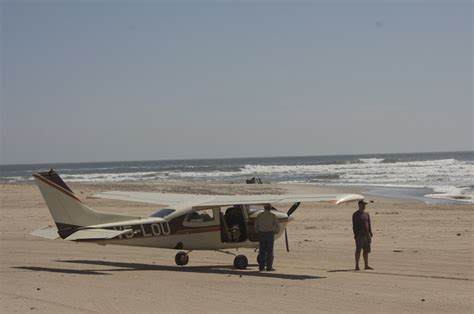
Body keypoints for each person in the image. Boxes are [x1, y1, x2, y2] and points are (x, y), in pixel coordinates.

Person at [255, 203, 280, 271]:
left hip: (261, 234)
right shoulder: (272, 216)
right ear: (270, 208)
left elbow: (255, 226)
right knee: (269, 251)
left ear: (264, 208)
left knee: (262, 251)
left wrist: (257, 232)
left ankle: (261, 267)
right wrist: (275, 231)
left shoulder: (259, 215)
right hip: (269, 234)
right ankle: (269, 267)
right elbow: (278, 226)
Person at [352, 200, 373, 270]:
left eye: (365, 205)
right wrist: (355, 235)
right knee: (358, 250)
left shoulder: (366, 214)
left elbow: (369, 224)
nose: (364, 206)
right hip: (359, 235)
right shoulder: (355, 215)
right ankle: (357, 266)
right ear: (359, 205)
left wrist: (370, 233)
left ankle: (366, 265)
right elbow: (354, 226)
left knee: (366, 251)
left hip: (367, 235)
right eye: (363, 205)